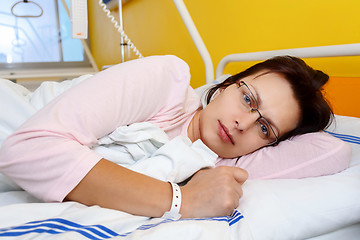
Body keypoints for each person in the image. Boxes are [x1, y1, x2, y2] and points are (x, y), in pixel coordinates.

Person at [0, 55, 333, 219]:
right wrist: (181, 201)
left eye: (265, 128)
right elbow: (27, 149)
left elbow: (332, 152)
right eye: (247, 99)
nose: (242, 124)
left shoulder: (219, 164)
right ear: (227, 83)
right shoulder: (168, 82)